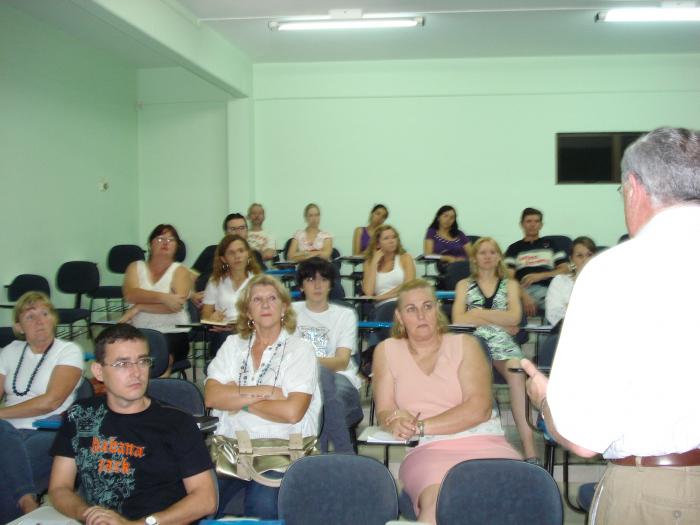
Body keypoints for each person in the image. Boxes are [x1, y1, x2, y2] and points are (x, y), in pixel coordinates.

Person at [522, 127, 700, 524]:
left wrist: (543, 399)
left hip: (659, 492)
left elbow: (583, 439)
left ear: (634, 187)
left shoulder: (616, 271)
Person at [374, 279, 521, 525]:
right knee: (440, 501)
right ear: (399, 316)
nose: (421, 315)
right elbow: (385, 410)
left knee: (511, 497)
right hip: (428, 450)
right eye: (411, 309)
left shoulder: (466, 344)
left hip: (485, 441)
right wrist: (394, 423)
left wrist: (419, 426)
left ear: (437, 309)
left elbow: (479, 409)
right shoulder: (386, 350)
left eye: (428, 306)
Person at [49, 323, 216, 524]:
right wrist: (88, 514)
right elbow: (59, 487)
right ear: (98, 372)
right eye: (122, 364)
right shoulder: (80, 415)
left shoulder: (178, 422)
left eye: (142, 361)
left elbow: (206, 500)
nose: (136, 372)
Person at [204, 274, 321, 519]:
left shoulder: (300, 349)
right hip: (230, 449)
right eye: (257, 300)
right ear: (247, 311)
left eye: (272, 299)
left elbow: (292, 412)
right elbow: (212, 397)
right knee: (197, 503)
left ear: (284, 307)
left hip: (283, 450)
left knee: (261, 507)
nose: (265, 305)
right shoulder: (231, 345)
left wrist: (238, 401)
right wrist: (268, 393)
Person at [451, 237, 537, 461]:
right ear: (475, 258)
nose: (487, 256)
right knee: (476, 376)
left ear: (499, 256)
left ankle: (529, 449)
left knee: (518, 371)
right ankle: (483, 444)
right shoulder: (463, 285)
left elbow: (516, 316)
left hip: (503, 344)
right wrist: (501, 320)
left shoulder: (510, 284)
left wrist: (476, 314)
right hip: (473, 342)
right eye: (482, 252)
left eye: (492, 252)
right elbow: (459, 318)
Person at [0, 292, 83, 523]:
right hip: (5, 433)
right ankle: (28, 502)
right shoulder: (9, 351)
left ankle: (26, 504)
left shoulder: (68, 351)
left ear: (54, 319)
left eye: (45, 314)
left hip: (48, 430)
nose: (40, 321)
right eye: (30, 316)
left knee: (6, 470)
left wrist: (1, 414)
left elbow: (51, 401)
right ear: (18, 326)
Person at [293, 257, 363, 453]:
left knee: (324, 397)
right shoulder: (290, 312)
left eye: (323, 280)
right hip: (299, 378)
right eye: (310, 280)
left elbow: (341, 362)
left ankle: (318, 457)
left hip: (339, 378)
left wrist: (306, 362)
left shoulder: (345, 314)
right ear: (301, 286)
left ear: (331, 285)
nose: (317, 285)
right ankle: (343, 455)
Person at [120, 224, 191, 369]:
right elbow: (130, 294)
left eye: (171, 240)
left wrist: (139, 307)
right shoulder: (135, 267)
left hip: (172, 331)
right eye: (160, 239)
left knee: (158, 355)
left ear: (177, 246)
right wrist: (164, 297)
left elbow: (175, 306)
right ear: (150, 243)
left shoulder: (181, 271)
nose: (165, 243)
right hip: (139, 330)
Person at [201, 234, 263, 354]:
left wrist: (240, 326)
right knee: (226, 339)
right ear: (223, 259)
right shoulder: (215, 281)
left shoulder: (259, 281)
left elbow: (265, 315)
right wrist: (213, 319)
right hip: (224, 333)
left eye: (241, 251)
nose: (237, 256)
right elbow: (206, 315)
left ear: (248, 254)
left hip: (253, 330)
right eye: (231, 253)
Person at [504, 208, 569, 316]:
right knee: (505, 308)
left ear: (541, 225)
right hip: (522, 291)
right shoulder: (513, 248)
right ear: (522, 225)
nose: (533, 224)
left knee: (565, 310)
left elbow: (565, 269)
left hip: (548, 290)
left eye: (536, 221)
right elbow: (508, 277)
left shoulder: (551, 245)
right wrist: (524, 296)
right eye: (529, 221)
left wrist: (540, 276)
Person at [544, 236, 597, 328]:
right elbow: (552, 313)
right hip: (565, 330)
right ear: (571, 259)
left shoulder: (605, 282)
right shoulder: (559, 281)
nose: (585, 260)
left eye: (589, 255)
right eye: (579, 256)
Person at [362, 224, 416, 304]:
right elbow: (368, 293)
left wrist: (379, 298)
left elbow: (408, 286)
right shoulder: (369, 263)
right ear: (378, 244)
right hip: (381, 308)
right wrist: (374, 263)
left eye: (394, 237)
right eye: (386, 238)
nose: (392, 241)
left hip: (403, 302)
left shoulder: (405, 258)